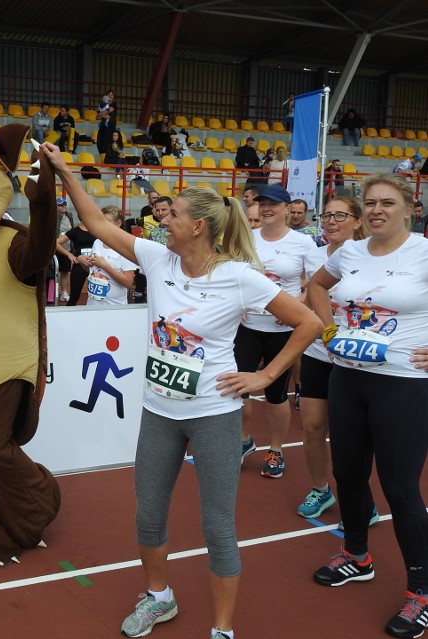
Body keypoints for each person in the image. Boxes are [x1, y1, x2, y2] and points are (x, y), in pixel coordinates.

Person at [42, 141, 320, 639]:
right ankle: (159, 598)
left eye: (173, 216)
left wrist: (264, 376)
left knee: (218, 528)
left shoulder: (239, 279)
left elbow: (308, 322)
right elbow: (98, 225)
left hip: (213, 413)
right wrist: (64, 169)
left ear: (199, 227)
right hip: (158, 411)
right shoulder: (158, 259)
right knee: (148, 515)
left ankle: (222, 630)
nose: (161, 220)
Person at [308, 173, 428, 638]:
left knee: (400, 489)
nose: (377, 210)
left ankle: (421, 590)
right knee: (349, 475)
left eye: (388, 203)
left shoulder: (422, 251)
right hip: (349, 378)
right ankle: (357, 555)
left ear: (409, 209)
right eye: (371, 203)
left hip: (404, 382)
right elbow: (318, 287)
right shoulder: (351, 252)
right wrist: (329, 330)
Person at [234, 185, 316, 479]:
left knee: (275, 394)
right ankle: (244, 440)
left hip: (281, 331)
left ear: (286, 208)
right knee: (237, 389)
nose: (266, 208)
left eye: (273, 204)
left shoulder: (303, 243)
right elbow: (235, 276)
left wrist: (298, 306)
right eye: (262, 203)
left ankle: (276, 449)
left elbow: (316, 283)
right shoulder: (247, 238)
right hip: (248, 326)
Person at [295, 196, 366, 521]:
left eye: (341, 215)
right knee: (311, 426)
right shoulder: (314, 255)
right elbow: (310, 295)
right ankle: (320, 489)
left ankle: (358, 495)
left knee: (350, 434)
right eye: (327, 215)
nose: (332, 221)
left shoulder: (370, 256)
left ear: (357, 221)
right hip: (318, 354)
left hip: (356, 359)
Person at [83, 206, 136, 305]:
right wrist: (84, 262)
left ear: (118, 224)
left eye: (107, 221)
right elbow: (92, 271)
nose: (103, 225)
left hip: (114, 308)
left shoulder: (126, 247)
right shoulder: (97, 242)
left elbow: (128, 283)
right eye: (101, 221)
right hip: (92, 305)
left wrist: (105, 265)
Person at [56, 210, 97, 307]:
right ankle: (68, 317)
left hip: (96, 265)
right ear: (81, 217)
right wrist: (70, 255)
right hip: (79, 265)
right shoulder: (75, 231)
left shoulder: (96, 230)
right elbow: (56, 243)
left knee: (98, 296)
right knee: (74, 296)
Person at [54, 197, 74, 302]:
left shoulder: (70, 215)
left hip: (68, 247)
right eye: (60, 205)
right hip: (56, 247)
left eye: (65, 204)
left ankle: (64, 292)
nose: (64, 206)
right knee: (54, 272)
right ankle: (52, 293)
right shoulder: (52, 216)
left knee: (65, 271)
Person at [96, 90, 117, 155]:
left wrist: (101, 114)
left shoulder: (114, 104)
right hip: (102, 126)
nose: (111, 96)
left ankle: (105, 157)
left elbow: (110, 110)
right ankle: (102, 155)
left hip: (110, 127)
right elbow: (97, 117)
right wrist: (103, 115)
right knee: (99, 143)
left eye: (112, 95)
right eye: (109, 95)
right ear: (106, 96)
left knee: (106, 143)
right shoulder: (102, 104)